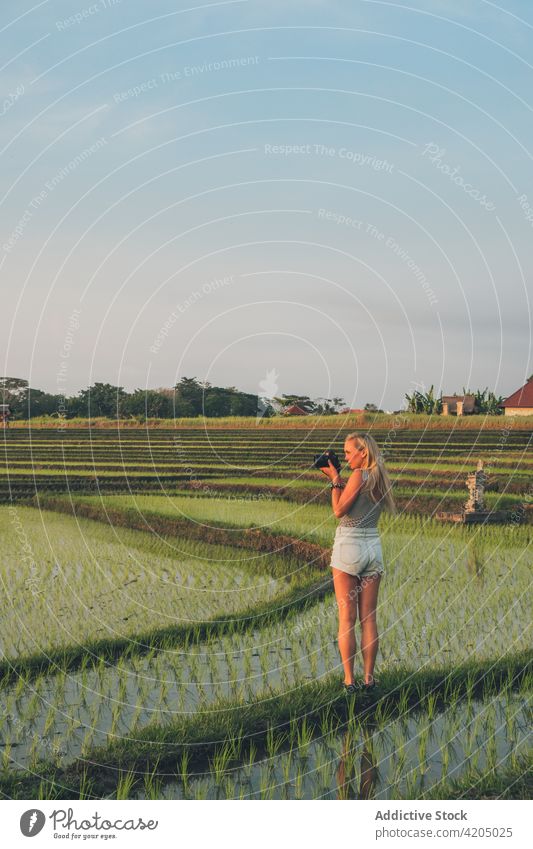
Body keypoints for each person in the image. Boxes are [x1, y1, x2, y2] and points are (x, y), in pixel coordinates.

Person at [319, 432, 396, 695]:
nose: (347, 457)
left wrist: (334, 482)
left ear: (363, 452)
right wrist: (340, 479)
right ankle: (369, 679)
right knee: (369, 619)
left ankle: (349, 682)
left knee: (346, 619)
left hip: (349, 546)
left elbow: (339, 511)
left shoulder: (359, 475)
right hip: (373, 546)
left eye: (350, 452)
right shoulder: (380, 477)